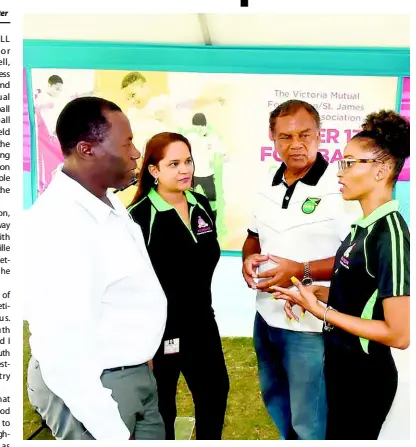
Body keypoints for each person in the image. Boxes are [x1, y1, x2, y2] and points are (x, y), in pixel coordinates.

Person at [24, 97, 167, 440]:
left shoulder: (104, 200)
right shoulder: (60, 224)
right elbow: (62, 352)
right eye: (127, 142)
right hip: (94, 391)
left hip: (131, 375)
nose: (136, 153)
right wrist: (112, 433)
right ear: (87, 150)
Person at [272, 110, 410, 440]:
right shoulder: (361, 229)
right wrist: (313, 295)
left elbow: (399, 334)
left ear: (382, 170)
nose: (340, 172)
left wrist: (324, 312)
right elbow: (361, 299)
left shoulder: (389, 235)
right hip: (340, 367)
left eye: (350, 163)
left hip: (365, 379)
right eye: (341, 162)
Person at [242, 100, 360, 440]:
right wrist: (248, 261)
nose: (296, 144)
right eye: (286, 137)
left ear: (320, 135)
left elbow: (356, 258)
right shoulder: (268, 181)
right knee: (275, 399)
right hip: (265, 317)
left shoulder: (340, 189)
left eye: (305, 135)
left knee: (310, 419)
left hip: (309, 323)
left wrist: (303, 270)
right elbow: (252, 237)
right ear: (272, 138)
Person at [128, 132, 229, 440]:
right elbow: (130, 288)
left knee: (215, 393)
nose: (185, 170)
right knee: (162, 409)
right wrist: (142, 346)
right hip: (160, 332)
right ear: (154, 170)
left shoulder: (200, 203)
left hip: (202, 323)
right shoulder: (138, 217)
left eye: (188, 161)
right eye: (173, 164)